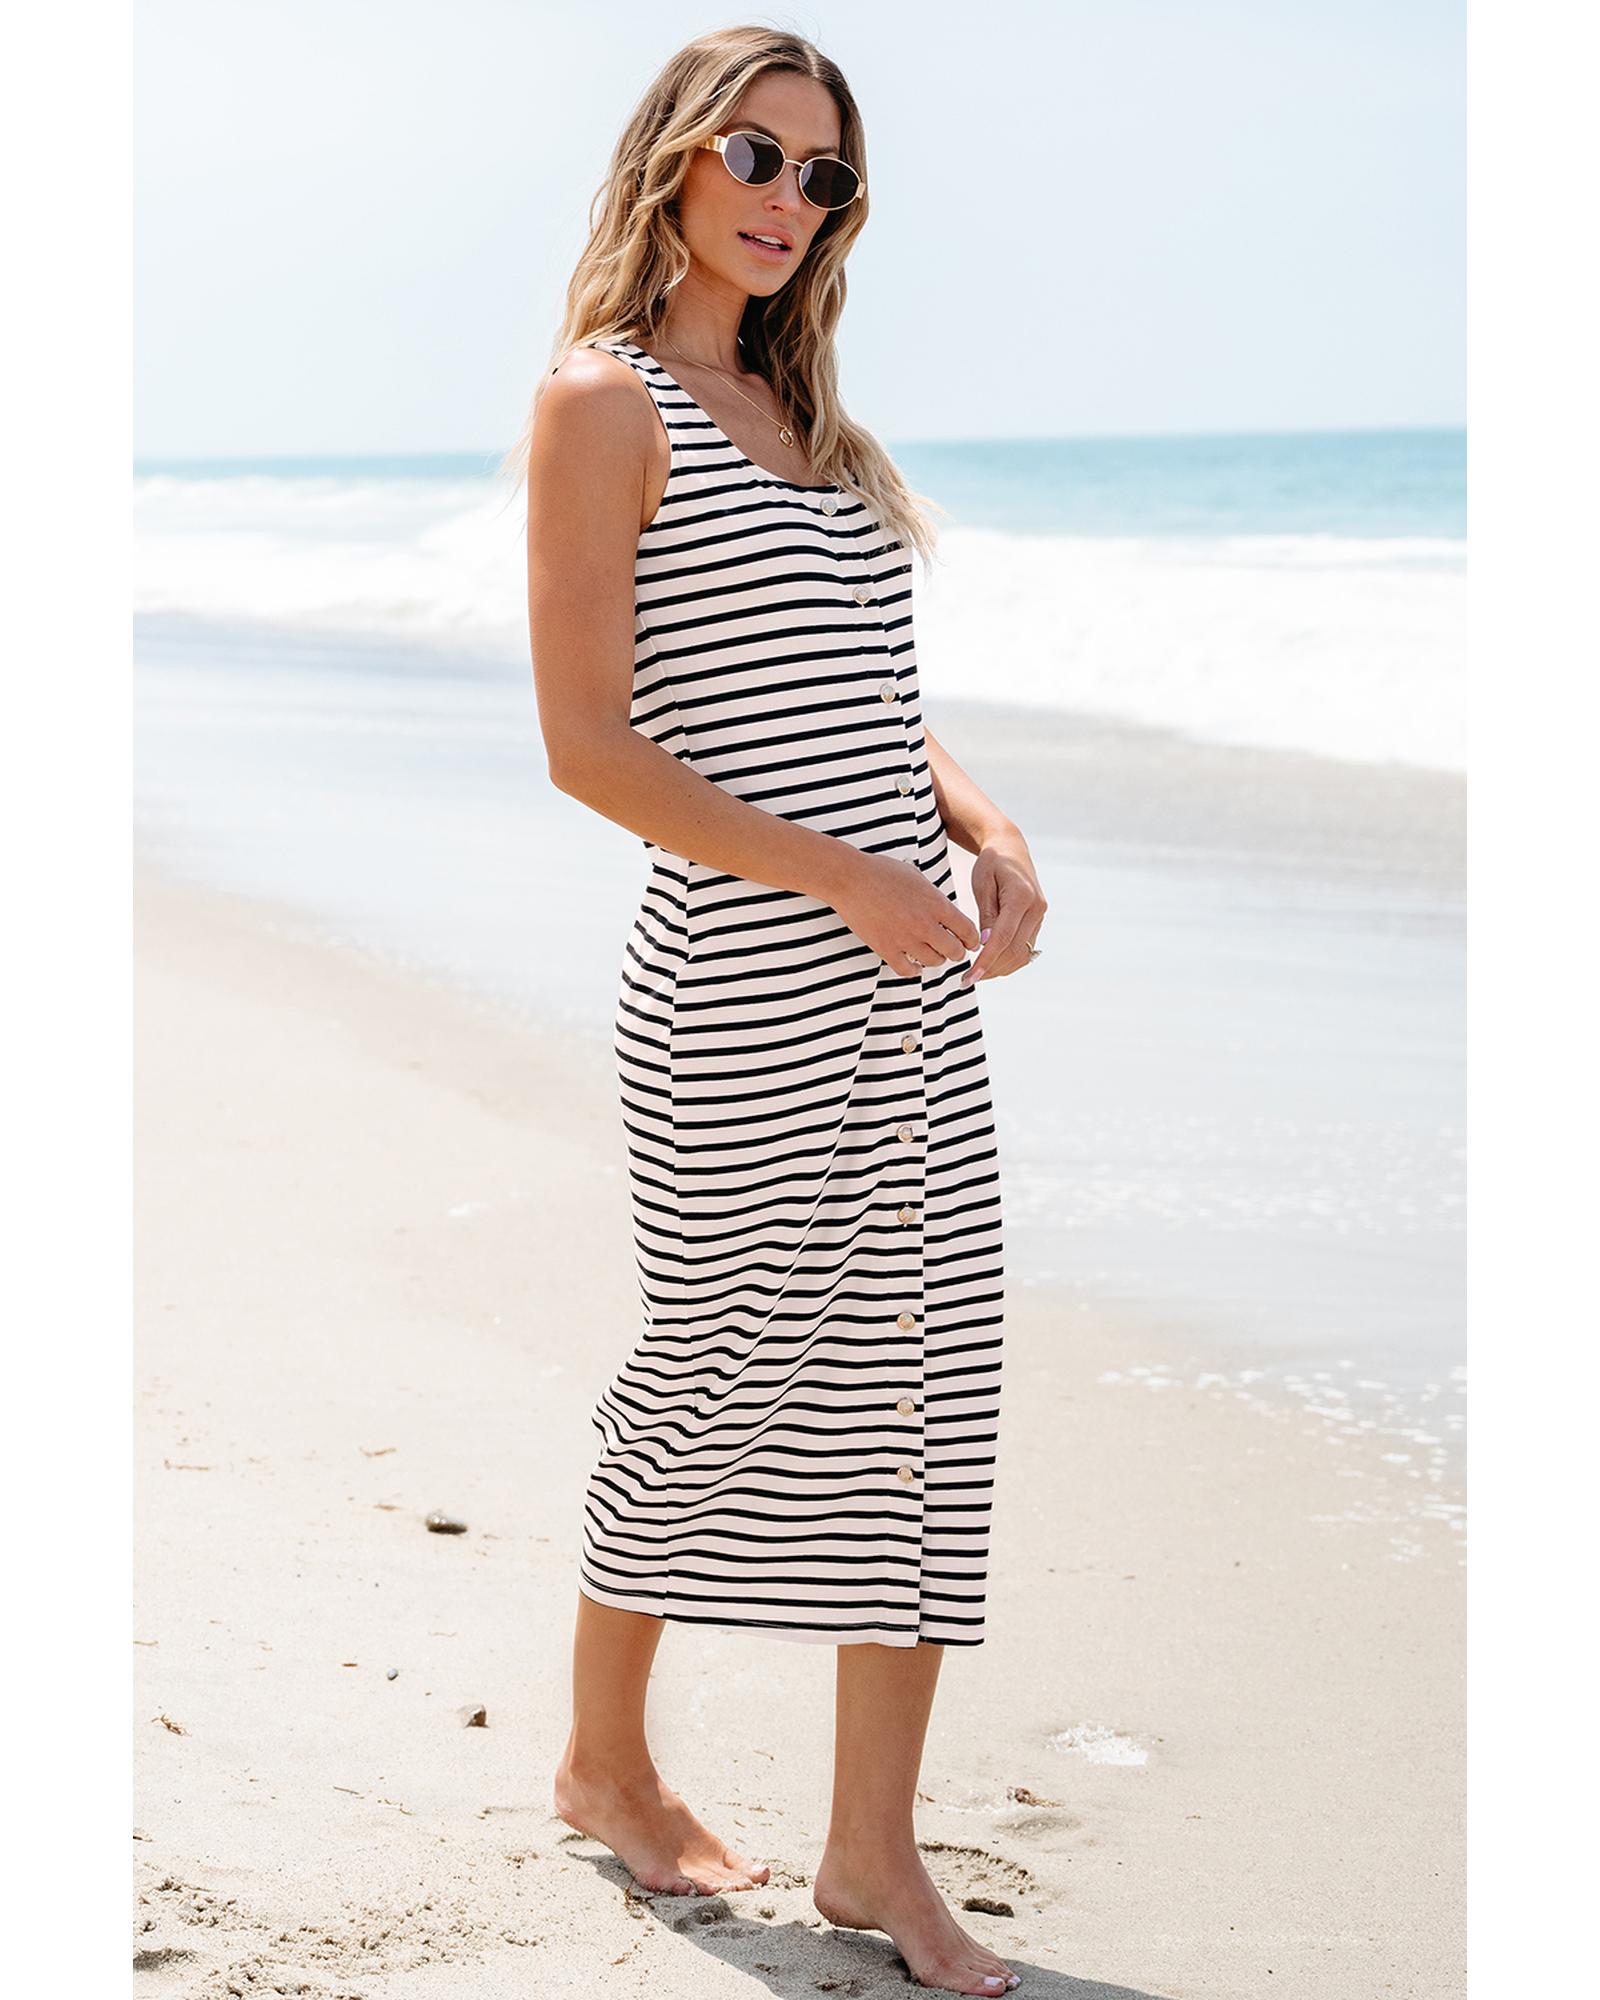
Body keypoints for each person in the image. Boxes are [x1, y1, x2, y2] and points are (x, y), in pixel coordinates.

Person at [507, 26, 1046, 1998]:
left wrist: (981, 827)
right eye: (756, 152)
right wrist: (841, 877)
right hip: (739, 993)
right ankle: (602, 1760)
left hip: (906, 989)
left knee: (930, 1386)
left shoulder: (812, 421)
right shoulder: (605, 402)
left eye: (823, 174)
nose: (787, 197)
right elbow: (590, 748)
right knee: (714, 1370)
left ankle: (869, 1853)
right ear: (673, 157)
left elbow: (860, 702)